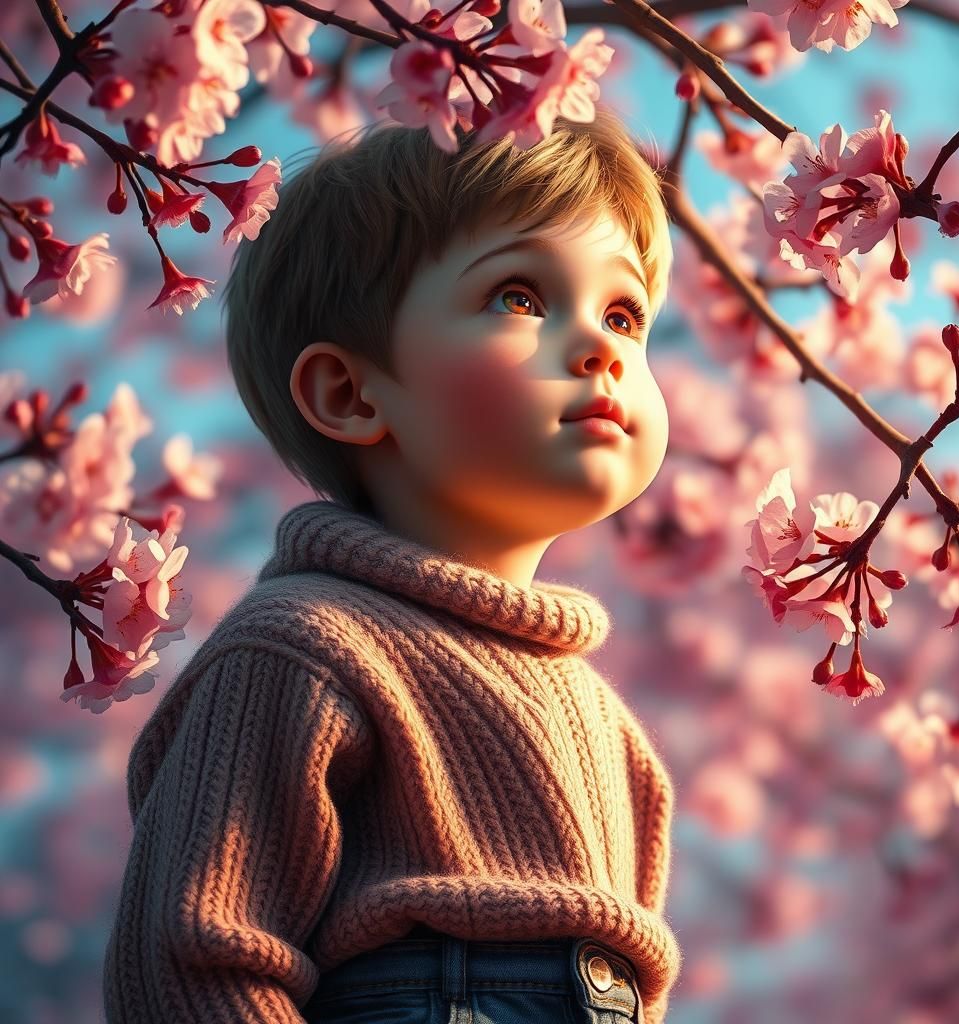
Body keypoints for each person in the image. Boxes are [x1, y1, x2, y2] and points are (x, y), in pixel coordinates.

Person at [102, 101, 681, 1024]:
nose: (602, 346)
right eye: (522, 298)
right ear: (349, 392)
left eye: (625, 311)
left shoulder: (614, 734)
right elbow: (196, 961)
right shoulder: (302, 651)